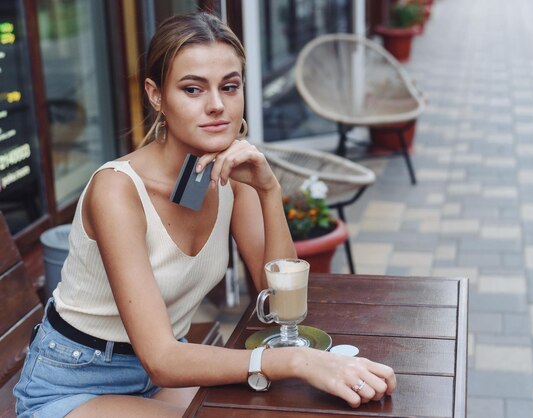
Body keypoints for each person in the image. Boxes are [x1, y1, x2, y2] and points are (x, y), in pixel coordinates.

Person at [13, 11, 396, 417]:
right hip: (75, 383)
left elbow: (280, 303)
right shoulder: (117, 190)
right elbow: (159, 357)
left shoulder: (234, 176)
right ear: (156, 95)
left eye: (229, 87)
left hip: (162, 376)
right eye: (193, 89)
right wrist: (296, 362)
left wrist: (268, 189)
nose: (216, 105)